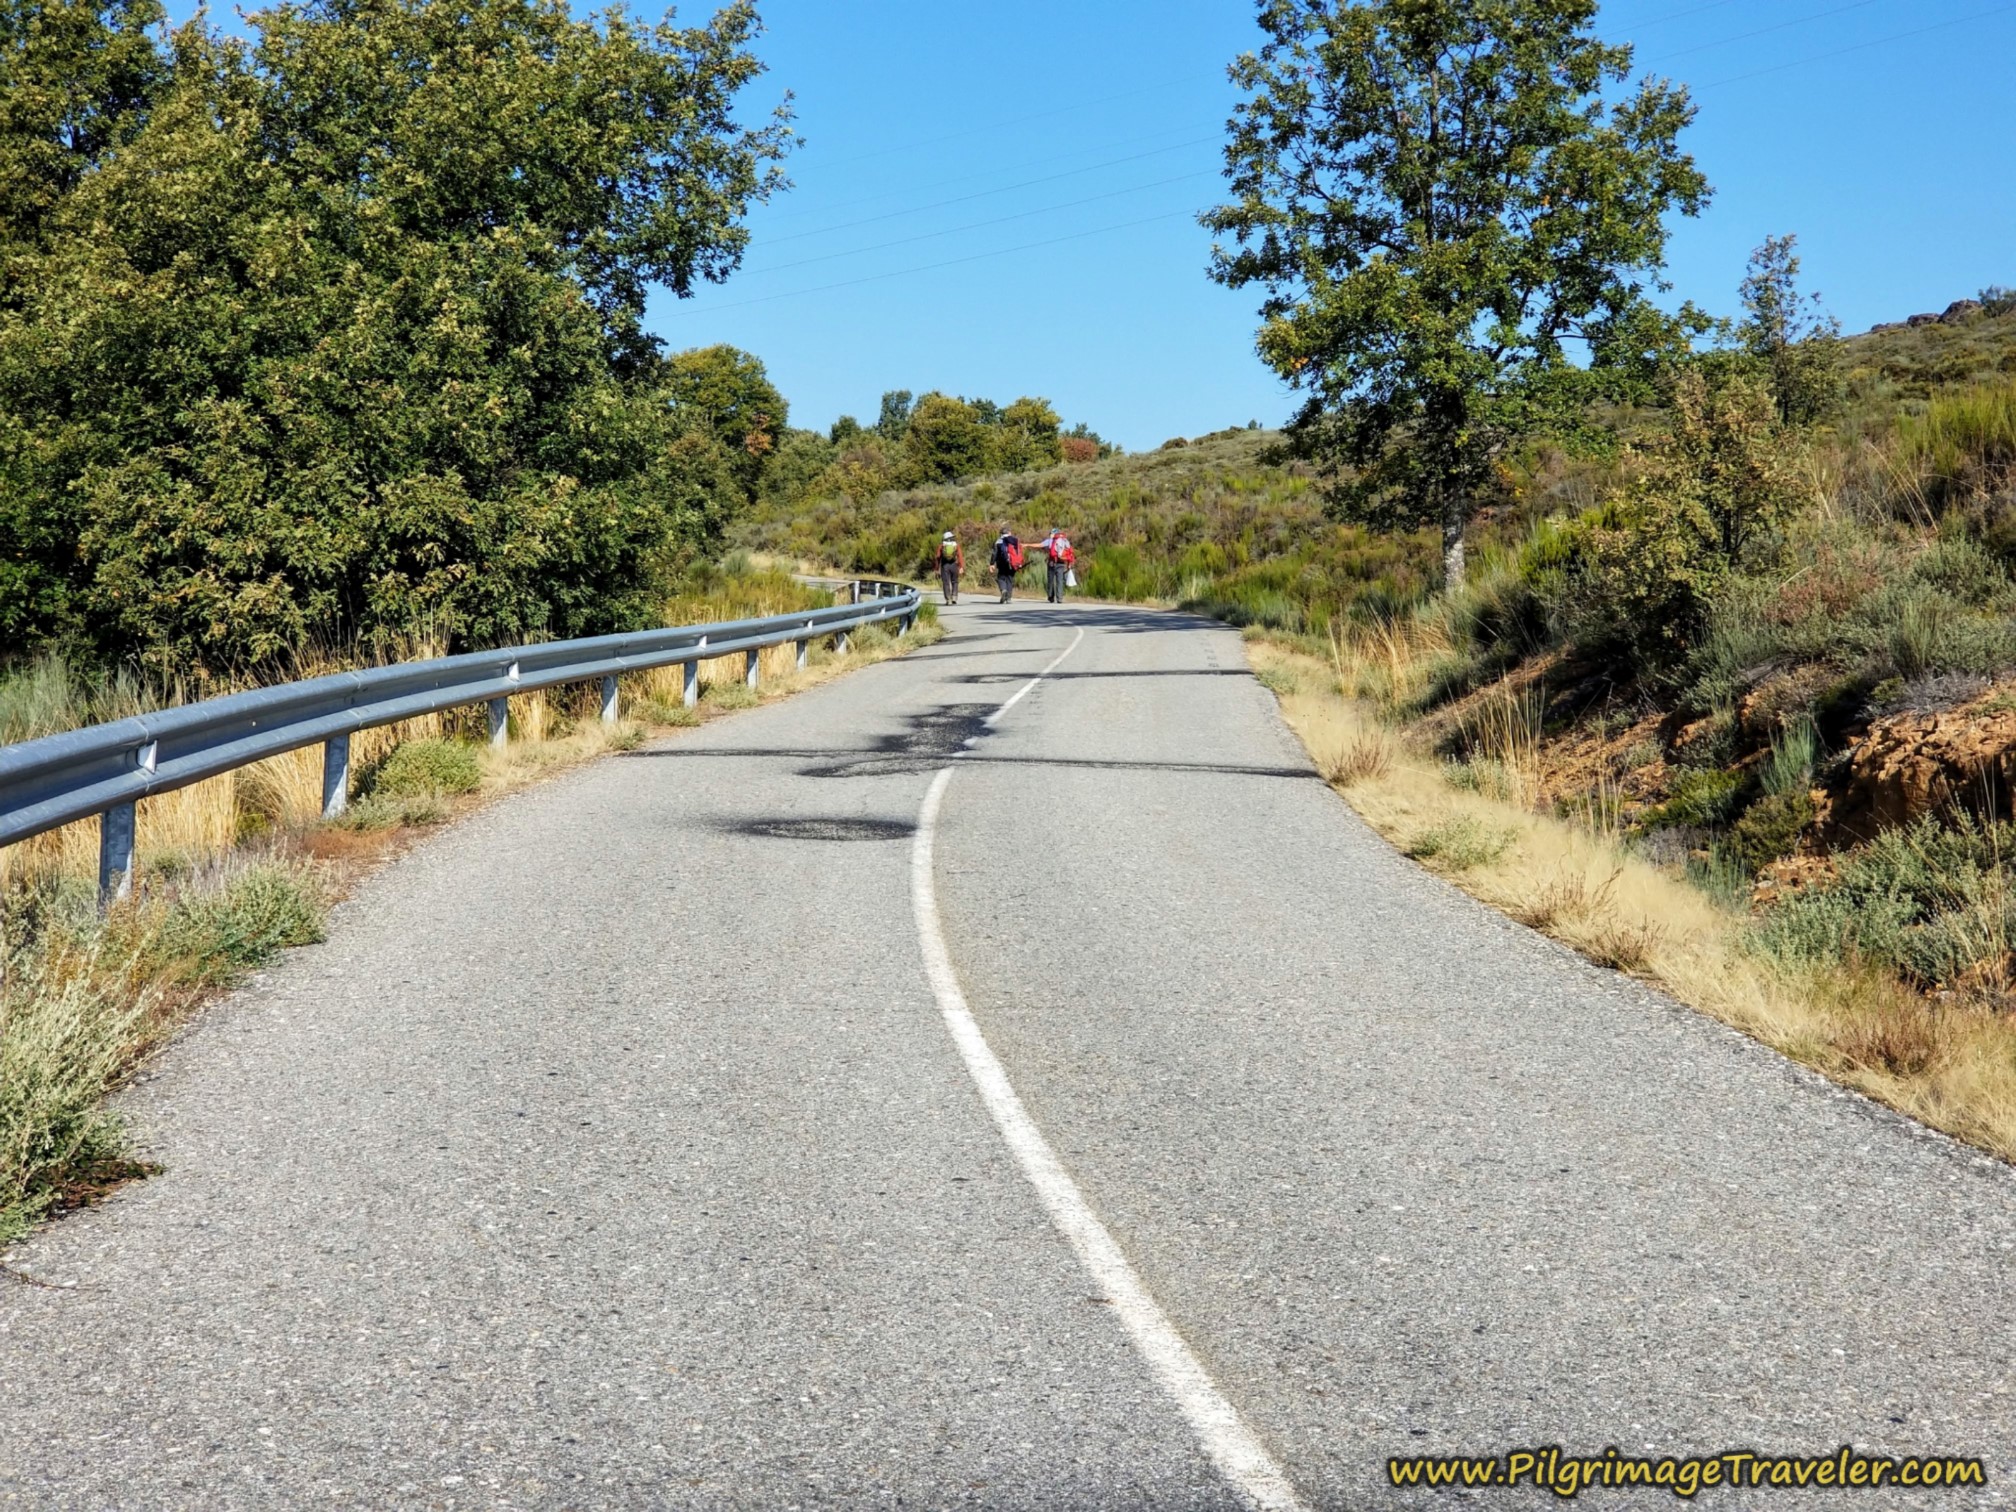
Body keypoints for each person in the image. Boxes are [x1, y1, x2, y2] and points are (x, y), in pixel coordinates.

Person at [1042, 529, 1076, 603]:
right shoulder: (1065, 541)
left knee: (1050, 580)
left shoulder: (1051, 541)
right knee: (1060, 581)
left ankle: (1051, 597)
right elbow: (1070, 553)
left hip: (1052, 563)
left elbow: (1040, 545)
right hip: (1061, 563)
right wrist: (1069, 564)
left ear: (1054, 534)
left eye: (1051, 533)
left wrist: (1026, 545)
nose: (1050, 535)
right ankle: (1059, 598)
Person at [991, 528, 1023, 603]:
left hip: (1002, 563)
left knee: (1001, 578)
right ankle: (1009, 598)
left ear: (1001, 534)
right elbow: (1019, 552)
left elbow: (994, 554)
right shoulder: (1015, 540)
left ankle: (1003, 590)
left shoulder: (998, 541)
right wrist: (1019, 563)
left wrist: (992, 564)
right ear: (1009, 533)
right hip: (1013, 563)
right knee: (1010, 579)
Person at [935, 530, 964, 605]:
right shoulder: (956, 545)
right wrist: (961, 567)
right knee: (955, 581)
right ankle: (954, 597)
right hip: (954, 565)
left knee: (946, 583)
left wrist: (936, 569)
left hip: (945, 566)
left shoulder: (941, 546)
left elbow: (938, 558)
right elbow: (960, 556)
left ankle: (948, 599)